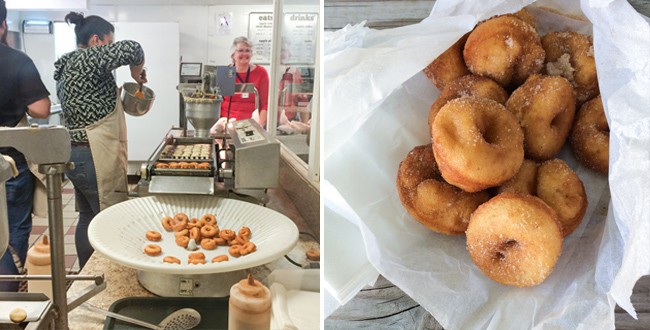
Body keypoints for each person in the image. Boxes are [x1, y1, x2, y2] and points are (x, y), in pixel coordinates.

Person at [54, 12, 146, 269]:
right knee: (111, 219)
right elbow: (133, 48)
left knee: (87, 217)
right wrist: (137, 72)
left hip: (75, 153)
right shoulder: (89, 59)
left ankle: (86, 274)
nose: (110, 46)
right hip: (95, 155)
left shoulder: (69, 63)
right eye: (108, 41)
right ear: (96, 40)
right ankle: (110, 276)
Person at [0, 0, 51, 291]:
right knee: (13, 227)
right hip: (8, 164)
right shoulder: (16, 61)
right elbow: (41, 109)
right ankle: (7, 294)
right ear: (4, 24)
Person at [220, 36, 270, 127]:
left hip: (252, 124)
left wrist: (260, 126)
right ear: (233, 55)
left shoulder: (261, 73)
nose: (244, 54)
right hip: (228, 124)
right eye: (240, 50)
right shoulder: (226, 72)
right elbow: (219, 103)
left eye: (248, 51)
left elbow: (265, 104)